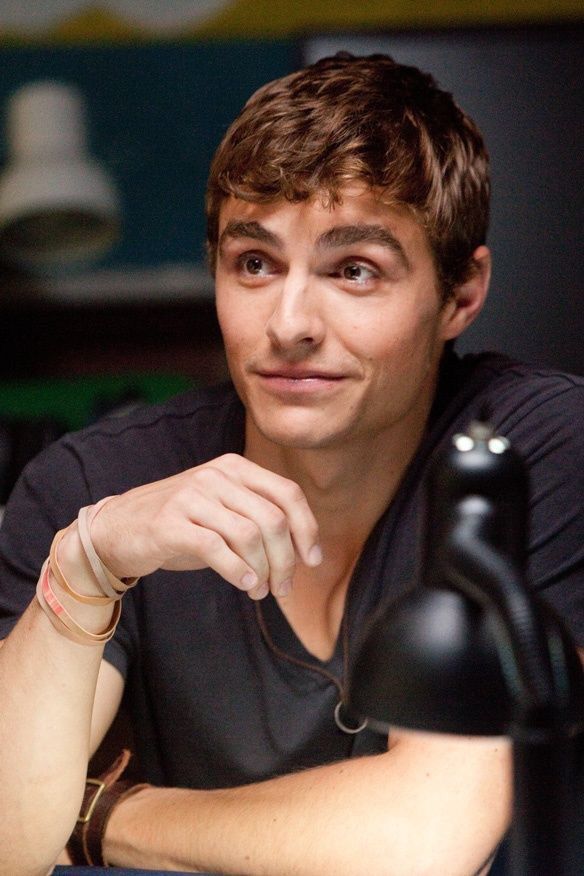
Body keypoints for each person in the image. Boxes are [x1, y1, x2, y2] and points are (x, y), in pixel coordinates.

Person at [0, 52, 582, 876]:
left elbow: (427, 838)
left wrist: (102, 819)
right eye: (255, 264)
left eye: (354, 270)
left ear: (461, 294)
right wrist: (87, 565)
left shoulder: (537, 451)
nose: (290, 323)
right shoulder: (93, 486)